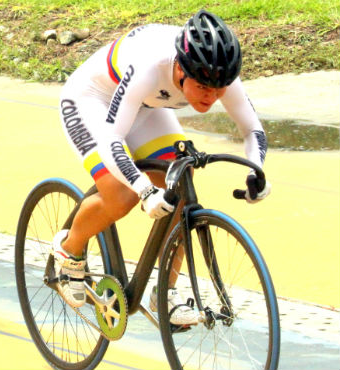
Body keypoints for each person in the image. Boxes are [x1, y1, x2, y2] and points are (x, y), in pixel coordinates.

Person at [54, 9, 271, 326]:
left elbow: (253, 130)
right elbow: (112, 138)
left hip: (143, 108)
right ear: (181, 70)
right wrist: (143, 189)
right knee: (121, 196)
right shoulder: (151, 67)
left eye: (219, 89)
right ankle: (69, 251)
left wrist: (257, 170)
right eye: (202, 88)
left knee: (180, 180)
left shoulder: (219, 74)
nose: (211, 97)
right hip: (92, 100)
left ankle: (164, 294)